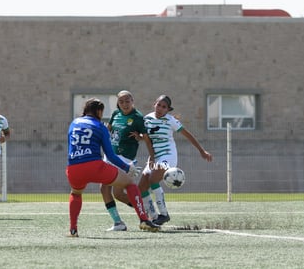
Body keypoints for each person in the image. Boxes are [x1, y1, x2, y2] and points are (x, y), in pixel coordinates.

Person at [65, 97, 160, 237]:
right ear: (98, 111)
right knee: (129, 183)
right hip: (94, 166)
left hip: (73, 168)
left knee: (75, 194)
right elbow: (110, 155)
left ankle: (73, 229)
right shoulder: (100, 126)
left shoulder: (74, 123)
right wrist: (127, 168)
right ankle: (144, 220)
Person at [139, 95, 212, 225]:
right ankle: (154, 217)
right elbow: (146, 138)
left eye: (164, 107)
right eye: (159, 105)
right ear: (154, 104)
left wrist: (202, 151)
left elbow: (188, 135)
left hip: (168, 155)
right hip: (154, 156)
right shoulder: (147, 119)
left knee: (153, 178)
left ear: (168, 110)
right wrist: (137, 137)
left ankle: (164, 214)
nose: (160, 108)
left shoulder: (170, 120)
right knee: (141, 187)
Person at [100, 90, 155, 231]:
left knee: (117, 193)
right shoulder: (115, 114)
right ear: (118, 103)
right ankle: (121, 222)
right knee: (108, 190)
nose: (124, 104)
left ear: (132, 101)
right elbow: (109, 130)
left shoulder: (137, 117)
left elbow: (146, 138)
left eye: (127, 101)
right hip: (110, 156)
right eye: (121, 101)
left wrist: (152, 156)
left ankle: (144, 215)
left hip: (124, 159)